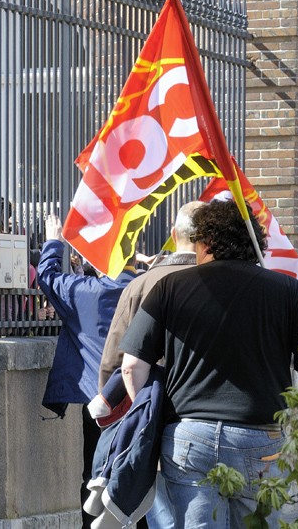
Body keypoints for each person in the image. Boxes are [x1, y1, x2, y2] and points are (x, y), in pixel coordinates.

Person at [118, 200, 298, 529]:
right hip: (259, 439)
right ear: (257, 244)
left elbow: (131, 366)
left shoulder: (169, 287)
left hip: (188, 436)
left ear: (205, 243)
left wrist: (149, 419)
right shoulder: (289, 291)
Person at [93, 201, 204, 529]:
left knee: (165, 519)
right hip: (208, 418)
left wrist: (122, 417)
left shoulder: (141, 284)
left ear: (173, 235)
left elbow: (115, 361)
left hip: (151, 418)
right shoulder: (224, 286)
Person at [37, 213, 138, 528]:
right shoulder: (149, 287)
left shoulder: (85, 292)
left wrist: (54, 240)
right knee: (143, 472)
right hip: (144, 397)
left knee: (95, 476)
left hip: (100, 400)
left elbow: (47, 275)